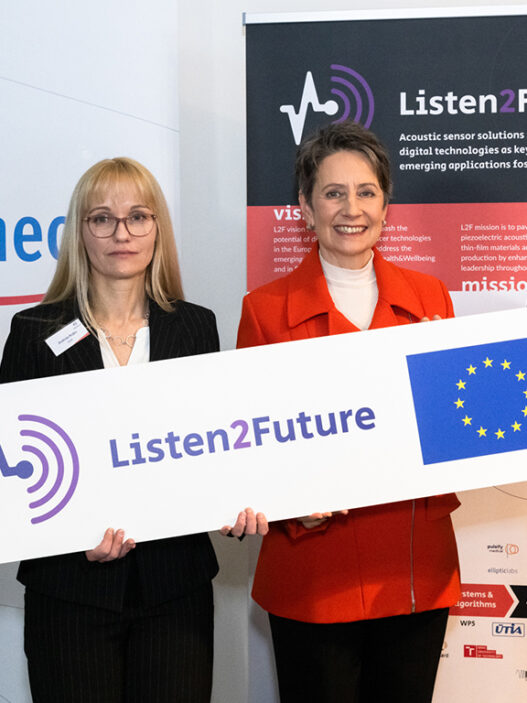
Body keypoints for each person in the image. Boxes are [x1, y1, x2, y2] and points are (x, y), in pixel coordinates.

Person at [0, 157, 265, 703]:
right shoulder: (33, 332)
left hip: (176, 591)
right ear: (80, 232)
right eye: (102, 218)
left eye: (138, 216)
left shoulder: (196, 326)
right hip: (69, 593)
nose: (122, 233)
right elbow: (12, 474)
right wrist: (70, 538)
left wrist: (237, 500)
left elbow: (215, 444)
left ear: (157, 228)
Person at [236, 122, 461, 703]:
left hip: (413, 568)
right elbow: (248, 443)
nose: (351, 209)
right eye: (333, 193)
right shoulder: (263, 311)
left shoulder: (432, 298)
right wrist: (291, 507)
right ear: (305, 208)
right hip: (314, 570)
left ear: (386, 204)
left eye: (366, 192)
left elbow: (450, 425)